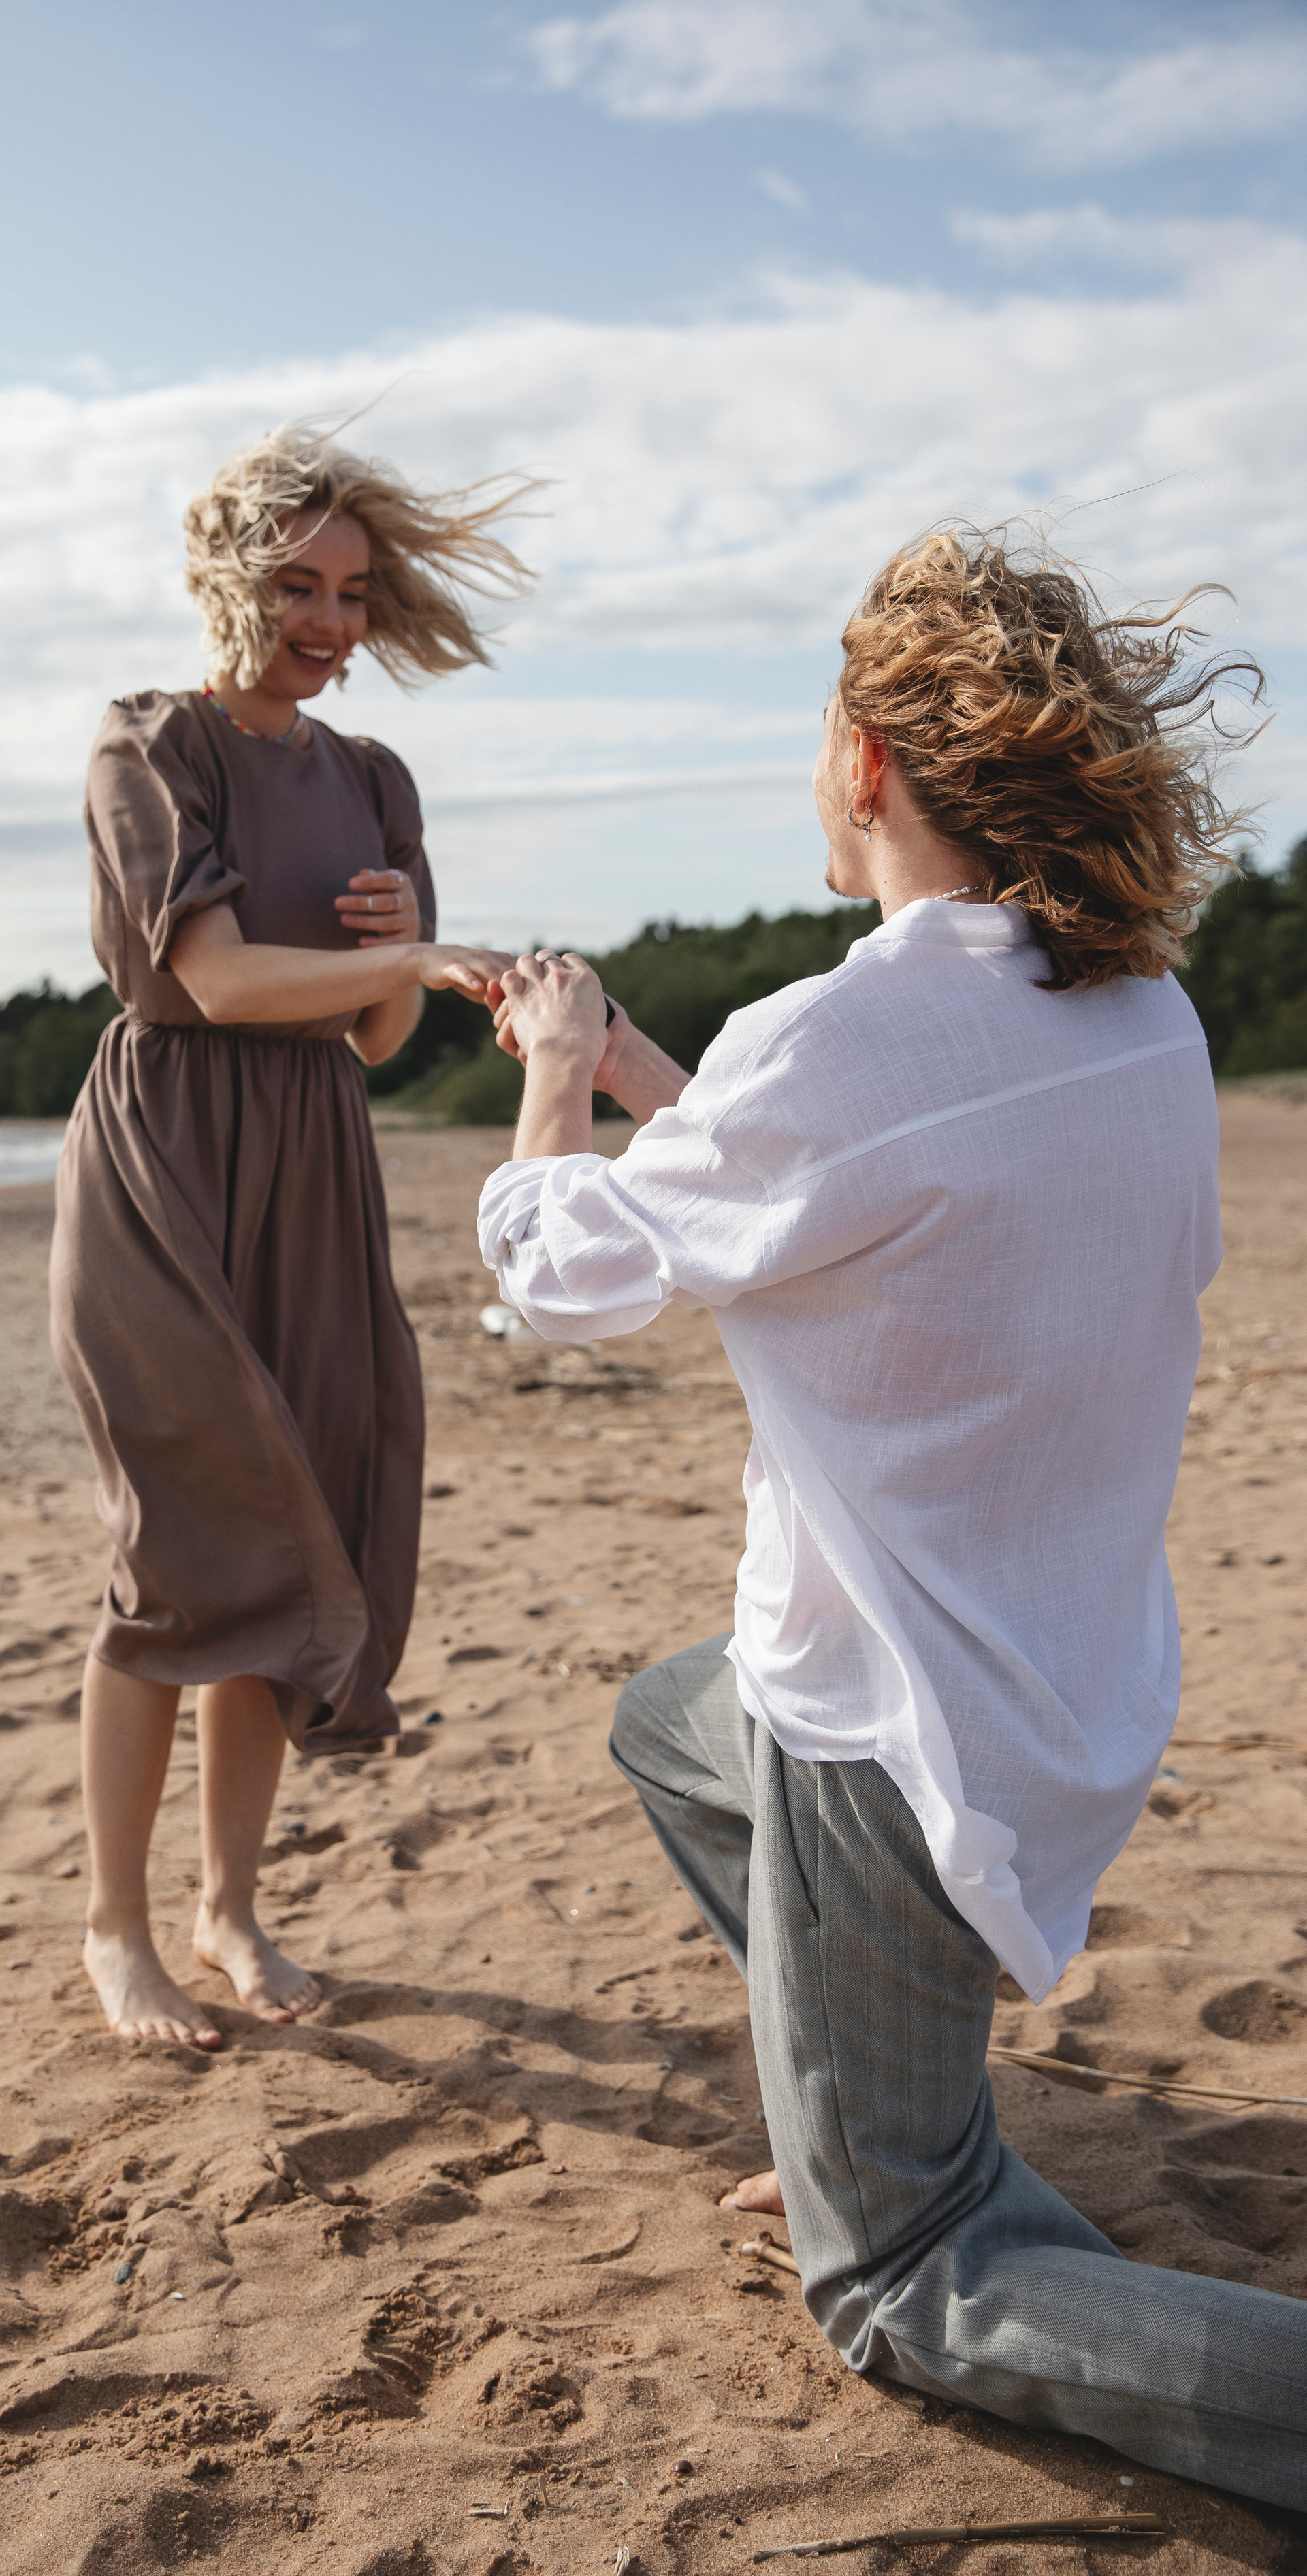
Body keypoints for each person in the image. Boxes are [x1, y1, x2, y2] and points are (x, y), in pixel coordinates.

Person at [479, 530, 1306, 2506]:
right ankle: (858, 2097)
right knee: (670, 1720)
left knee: (908, 2285)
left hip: (897, 1735)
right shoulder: (1140, 1016)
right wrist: (633, 1073)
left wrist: (549, 1078)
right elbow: (810, 1179)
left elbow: (558, 1273)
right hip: (1061, 1685)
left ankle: (908, 2190)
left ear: (865, 761)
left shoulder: (843, 1040)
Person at [52, 424, 530, 2051]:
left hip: (315, 1158)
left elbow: (378, 1042)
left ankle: (228, 1909)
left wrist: (401, 962)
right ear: (224, 574)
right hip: (171, 1153)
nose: (328, 623)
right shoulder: (151, 745)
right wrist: (427, 951)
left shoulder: (376, 780)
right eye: (295, 585)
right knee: (180, 1543)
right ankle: (117, 1928)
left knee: (291, 1533)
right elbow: (225, 985)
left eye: (353, 595)